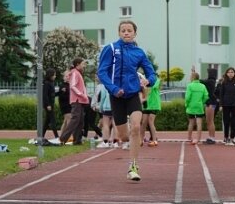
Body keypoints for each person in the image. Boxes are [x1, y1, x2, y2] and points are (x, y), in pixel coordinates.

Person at [97, 20, 157, 181]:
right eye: (123, 30)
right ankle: (133, 139)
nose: (126, 33)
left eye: (129, 30)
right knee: (124, 137)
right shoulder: (110, 49)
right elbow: (101, 72)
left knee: (136, 127)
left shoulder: (139, 52)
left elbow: (152, 73)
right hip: (117, 96)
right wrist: (114, 89)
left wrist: (148, 81)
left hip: (132, 94)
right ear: (119, 32)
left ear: (135, 33)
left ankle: (133, 166)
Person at [59, 58, 89, 146]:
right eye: (83, 64)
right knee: (75, 119)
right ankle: (63, 138)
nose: (84, 66)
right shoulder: (75, 73)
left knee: (80, 120)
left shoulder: (78, 73)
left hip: (80, 100)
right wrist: (82, 95)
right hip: (77, 100)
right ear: (77, 65)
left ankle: (77, 140)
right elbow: (73, 86)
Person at [217, 67, 235, 146]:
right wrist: (221, 105)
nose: (231, 73)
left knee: (234, 122)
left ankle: (232, 137)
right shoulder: (224, 83)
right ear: (226, 74)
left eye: (232, 72)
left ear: (234, 73)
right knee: (226, 121)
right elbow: (221, 94)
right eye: (229, 72)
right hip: (226, 104)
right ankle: (226, 137)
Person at [185, 72, 208, 145]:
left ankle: (189, 137)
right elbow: (206, 96)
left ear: (192, 77)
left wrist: (187, 104)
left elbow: (187, 97)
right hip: (199, 106)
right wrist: (202, 102)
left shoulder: (190, 86)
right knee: (199, 123)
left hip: (191, 106)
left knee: (191, 122)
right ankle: (198, 139)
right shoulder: (203, 86)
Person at [141, 72, 162, 146]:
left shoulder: (157, 81)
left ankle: (154, 140)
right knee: (143, 122)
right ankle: (141, 140)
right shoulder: (145, 83)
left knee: (150, 121)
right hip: (147, 105)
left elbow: (154, 84)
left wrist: (146, 82)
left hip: (154, 105)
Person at [41, 68, 60, 142]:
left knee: (47, 121)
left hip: (51, 104)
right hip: (48, 105)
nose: (55, 76)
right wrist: (48, 105)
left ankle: (41, 135)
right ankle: (57, 137)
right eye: (54, 75)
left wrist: (60, 92)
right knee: (52, 120)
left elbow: (52, 94)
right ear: (50, 75)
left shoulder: (51, 82)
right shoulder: (46, 83)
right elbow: (45, 95)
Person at [202, 68, 219, 144]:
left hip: (212, 103)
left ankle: (212, 138)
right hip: (209, 102)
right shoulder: (210, 81)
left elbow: (201, 81)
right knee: (208, 121)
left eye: (208, 73)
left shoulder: (211, 81)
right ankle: (210, 136)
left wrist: (194, 74)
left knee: (210, 120)